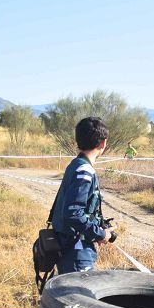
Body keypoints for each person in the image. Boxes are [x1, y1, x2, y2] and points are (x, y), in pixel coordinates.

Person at [51, 117, 117, 274]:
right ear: (103, 143)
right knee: (77, 296)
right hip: (76, 250)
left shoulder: (76, 165)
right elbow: (73, 212)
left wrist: (99, 227)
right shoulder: (84, 171)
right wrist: (100, 233)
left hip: (70, 246)